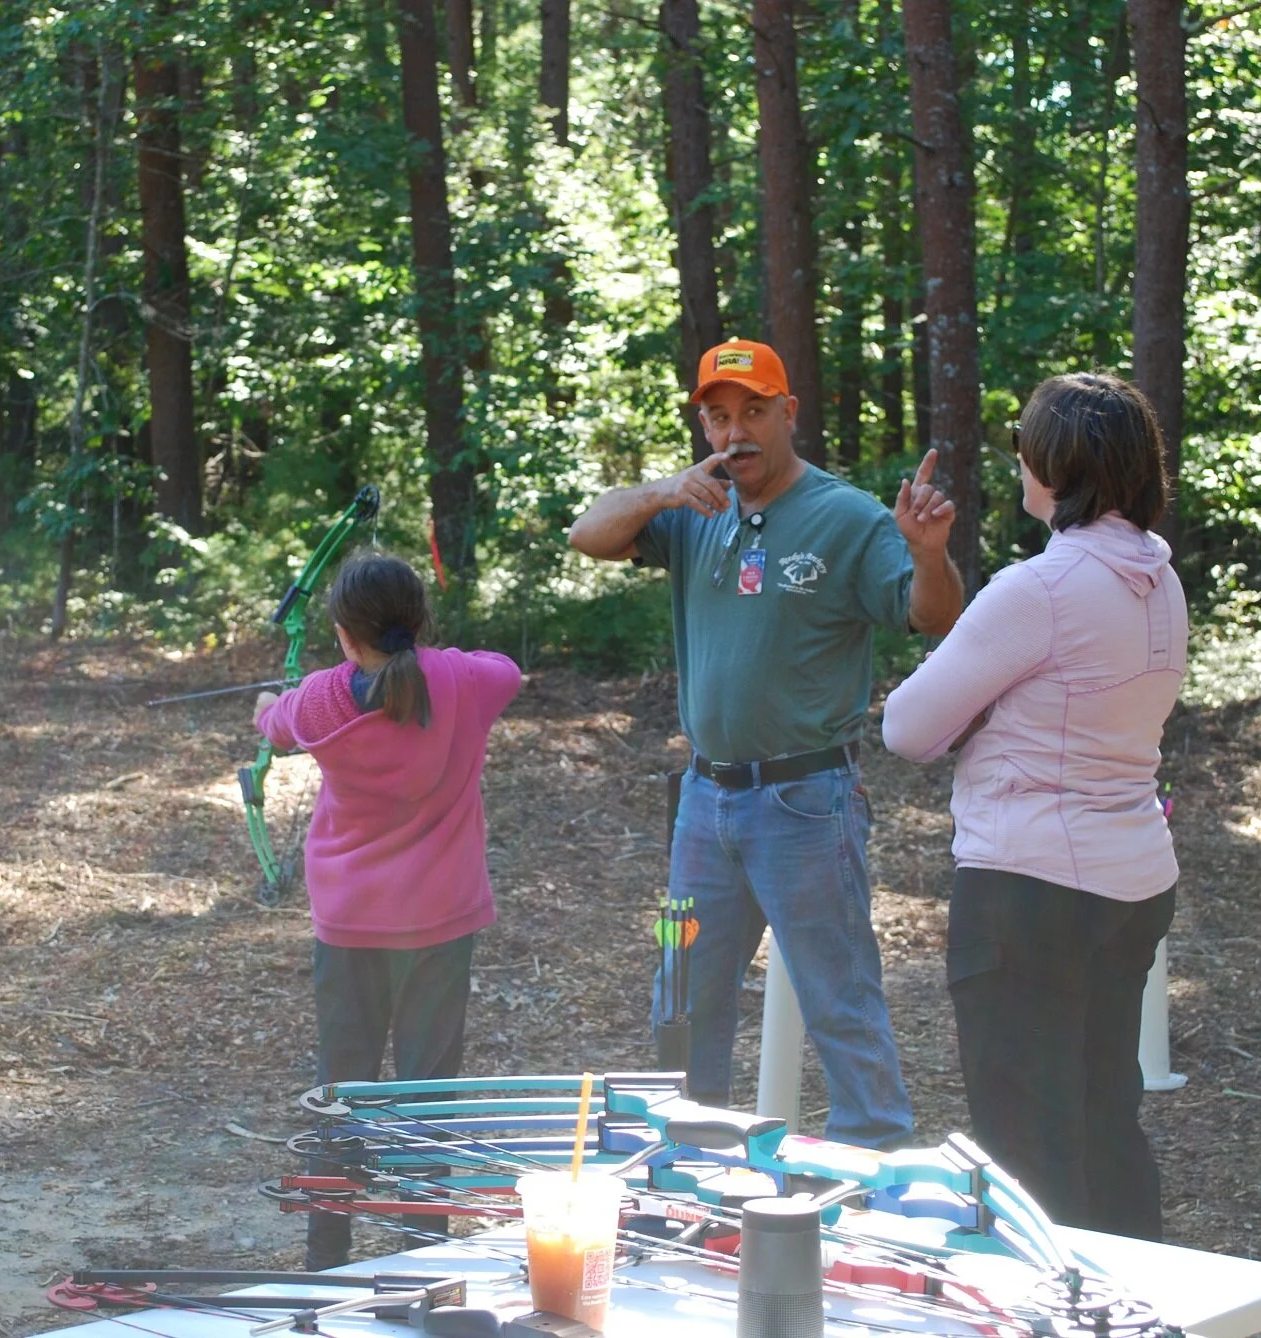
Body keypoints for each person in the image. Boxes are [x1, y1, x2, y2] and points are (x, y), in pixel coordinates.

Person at [567, 338, 963, 1149]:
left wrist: (928, 554)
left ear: (789, 412)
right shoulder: (692, 512)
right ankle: (690, 1161)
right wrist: (661, 493)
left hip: (805, 801)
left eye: (752, 411)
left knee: (838, 1000)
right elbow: (587, 534)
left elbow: (933, 617)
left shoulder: (846, 517)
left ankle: (876, 1167)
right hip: (704, 804)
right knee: (680, 997)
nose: (734, 432)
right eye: (718, 417)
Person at [881, 372, 1186, 1240]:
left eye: (1026, 442)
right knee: (1103, 1116)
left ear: (1058, 464)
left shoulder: (1039, 588)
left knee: (1029, 1145)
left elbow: (907, 726)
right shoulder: (1161, 583)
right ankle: (1143, 1312)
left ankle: (1060, 1313)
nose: (1017, 456)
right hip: (1131, 882)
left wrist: (979, 714)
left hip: (1030, 889)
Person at [253, 552, 522, 1268]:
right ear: (421, 621)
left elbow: (274, 725)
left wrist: (270, 707)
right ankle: (421, 1264)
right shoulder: (463, 680)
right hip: (442, 921)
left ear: (343, 633)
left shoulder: (317, 699)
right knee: (428, 1099)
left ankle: (327, 1265)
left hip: (351, 925)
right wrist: (440, 657)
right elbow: (507, 671)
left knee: (340, 1093)